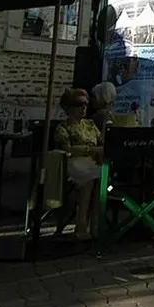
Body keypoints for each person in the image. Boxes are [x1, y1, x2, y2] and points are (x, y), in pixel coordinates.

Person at [53, 88, 103, 242]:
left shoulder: (90, 124)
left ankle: (95, 223)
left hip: (92, 161)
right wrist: (89, 149)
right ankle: (81, 224)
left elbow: (102, 143)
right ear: (68, 107)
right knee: (89, 178)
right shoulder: (63, 127)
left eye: (86, 104)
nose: (83, 107)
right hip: (73, 162)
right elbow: (66, 148)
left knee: (103, 179)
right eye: (79, 104)